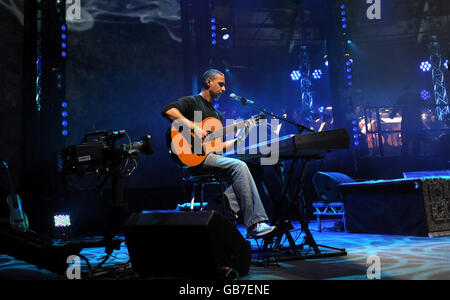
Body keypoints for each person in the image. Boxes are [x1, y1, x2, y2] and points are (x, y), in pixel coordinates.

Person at [161, 69, 276, 239]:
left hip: (209, 157)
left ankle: (218, 209)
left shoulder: (216, 115)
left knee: (254, 167)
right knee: (239, 165)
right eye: (221, 84)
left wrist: (242, 136)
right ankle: (255, 224)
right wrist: (193, 127)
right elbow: (168, 110)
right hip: (190, 157)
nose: (223, 89)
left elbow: (219, 147)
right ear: (208, 82)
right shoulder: (192, 102)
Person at [393, 85, 426, 156]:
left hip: (406, 123)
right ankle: (417, 160)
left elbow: (395, 109)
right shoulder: (417, 96)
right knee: (416, 142)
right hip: (416, 122)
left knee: (405, 143)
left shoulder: (401, 97)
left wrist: (392, 115)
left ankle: (405, 161)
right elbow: (424, 104)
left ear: (404, 90)